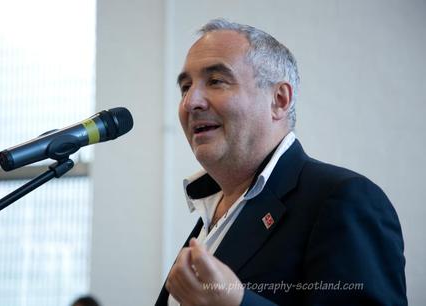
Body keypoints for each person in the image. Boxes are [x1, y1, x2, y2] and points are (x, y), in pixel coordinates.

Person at [155, 19, 407, 306]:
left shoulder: (343, 199)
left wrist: (237, 304)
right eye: (185, 87)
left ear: (279, 100)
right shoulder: (210, 208)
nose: (190, 102)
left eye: (215, 81)